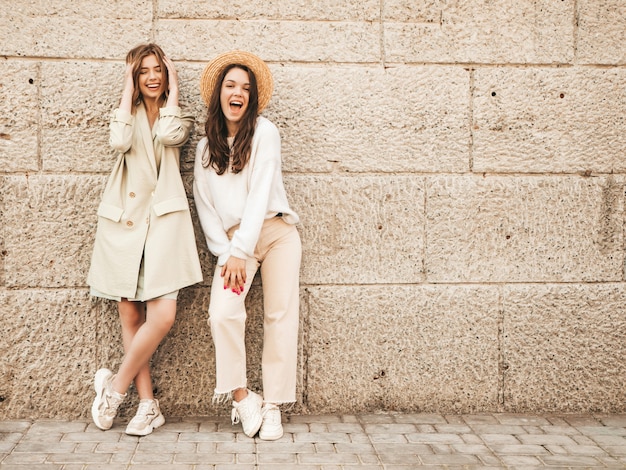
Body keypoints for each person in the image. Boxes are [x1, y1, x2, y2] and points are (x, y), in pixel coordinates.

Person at [87, 43, 203, 436]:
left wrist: (173, 92)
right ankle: (148, 405)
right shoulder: (127, 114)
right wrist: (125, 88)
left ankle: (115, 388)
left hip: (164, 226)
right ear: (134, 78)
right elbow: (118, 142)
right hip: (124, 224)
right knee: (131, 315)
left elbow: (172, 135)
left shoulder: (178, 115)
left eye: (159, 70)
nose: (152, 76)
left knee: (162, 316)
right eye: (144, 72)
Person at [193, 50, 301, 440]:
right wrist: (229, 253)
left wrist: (239, 250)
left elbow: (260, 194)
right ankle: (242, 397)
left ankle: (272, 405)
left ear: (252, 98)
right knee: (222, 313)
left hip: (276, 235)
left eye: (245, 88)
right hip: (235, 245)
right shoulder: (207, 148)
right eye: (230, 85)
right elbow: (204, 204)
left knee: (279, 316)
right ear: (219, 93)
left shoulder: (265, 132)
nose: (237, 92)